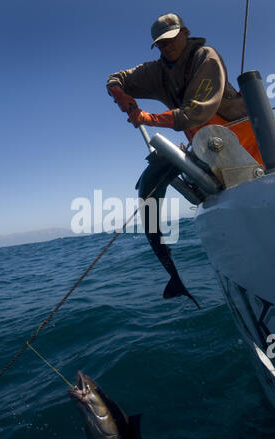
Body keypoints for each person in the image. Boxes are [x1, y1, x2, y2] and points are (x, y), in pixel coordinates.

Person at [105, 13, 262, 303]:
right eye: (161, 44)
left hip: (245, 143)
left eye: (171, 39)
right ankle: (187, 276)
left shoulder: (206, 57)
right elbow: (118, 78)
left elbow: (196, 112)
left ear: (185, 33)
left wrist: (147, 117)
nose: (167, 47)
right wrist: (119, 93)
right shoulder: (158, 71)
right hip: (208, 151)